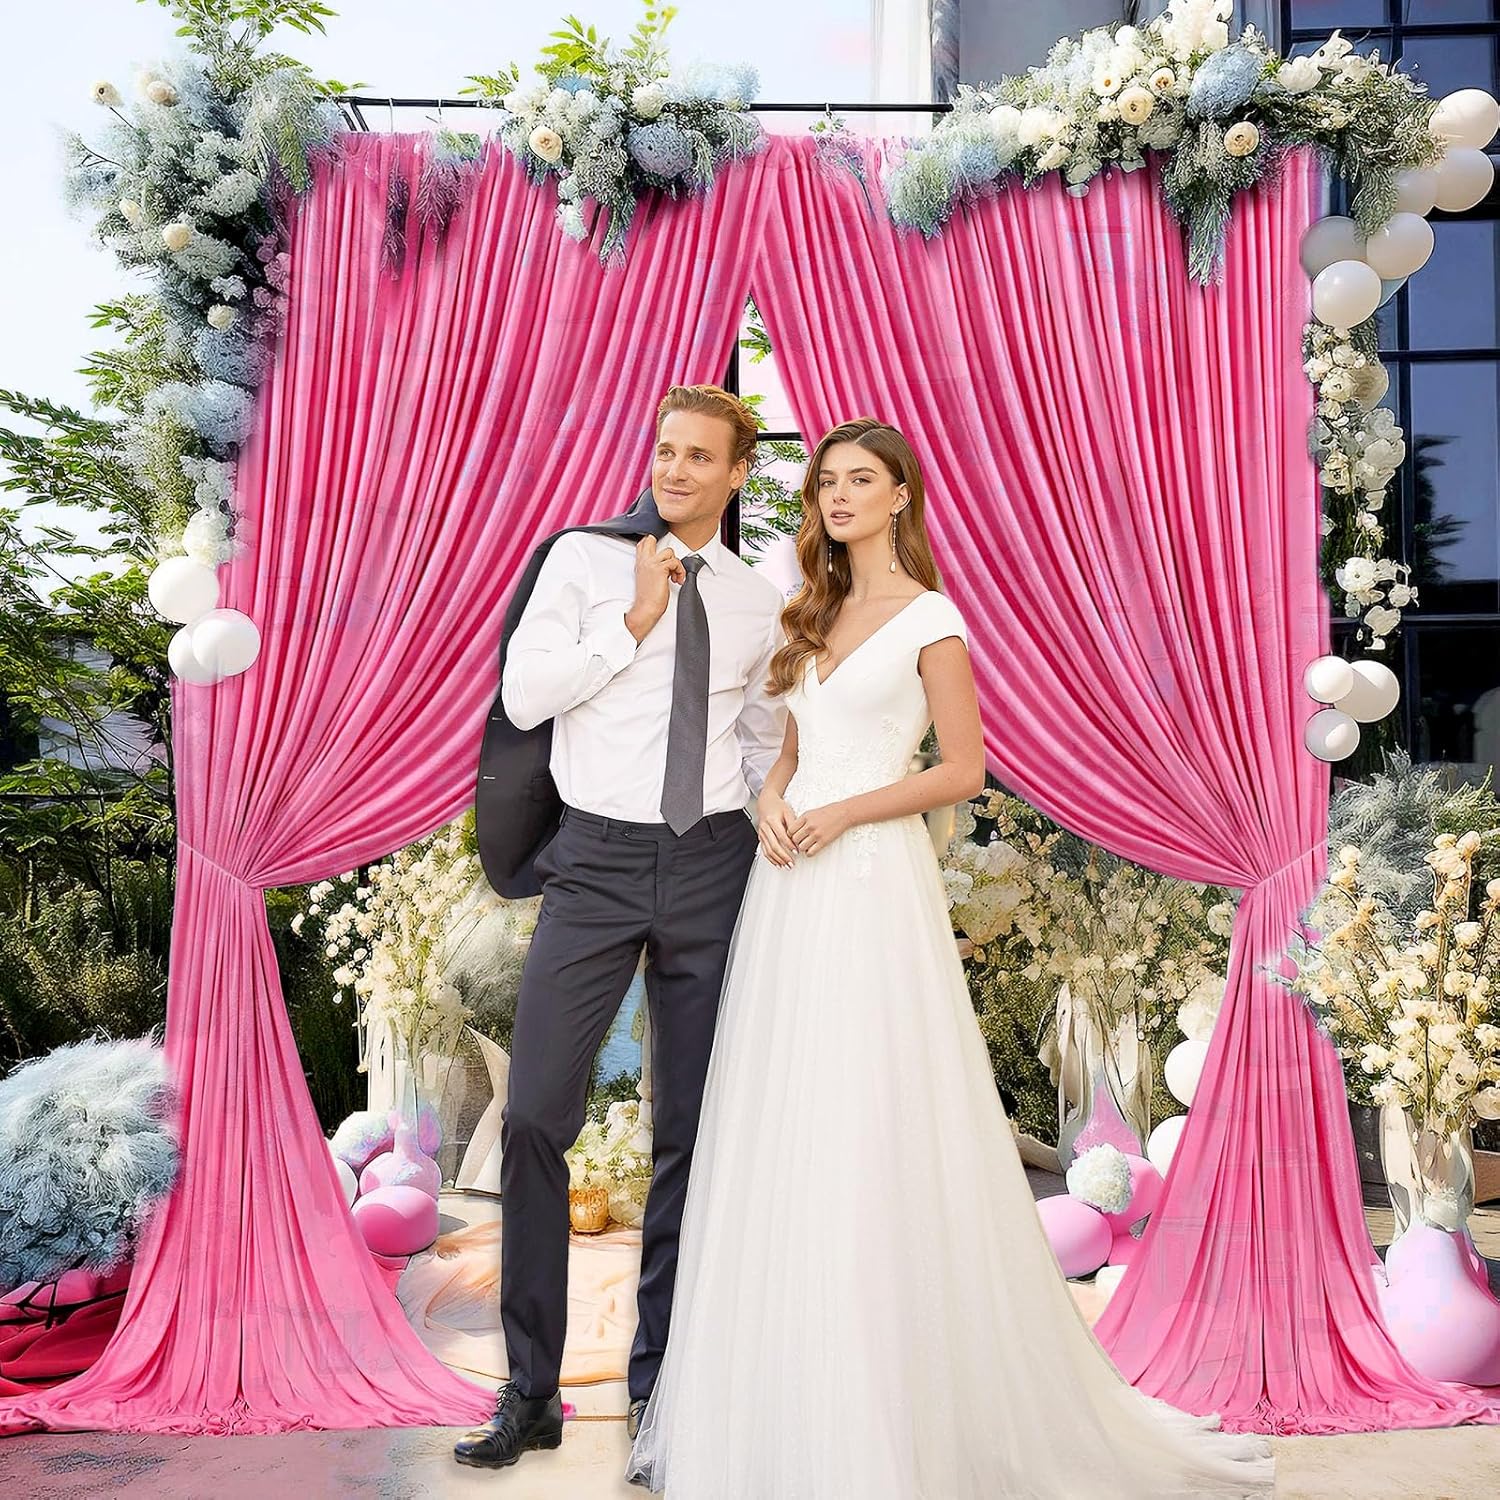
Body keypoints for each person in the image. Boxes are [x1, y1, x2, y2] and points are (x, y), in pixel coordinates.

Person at [625, 418, 1277, 1498]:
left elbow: (962, 769)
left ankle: (889, 1410)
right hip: (789, 888)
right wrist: (775, 799)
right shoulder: (810, 609)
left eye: (860, 480)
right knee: (789, 1115)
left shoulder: (932, 617)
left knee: (873, 1114)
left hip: (871, 884)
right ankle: (787, 1402)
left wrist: (842, 813)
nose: (837, 497)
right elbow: (786, 750)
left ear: (900, 497)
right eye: (826, 482)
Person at [454, 385, 787, 1471]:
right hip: (594, 862)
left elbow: (756, 733)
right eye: (665, 451)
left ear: (737, 473)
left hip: (713, 863)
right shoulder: (585, 562)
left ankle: (660, 1393)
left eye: (700, 457)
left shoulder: (755, 598)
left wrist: (778, 817)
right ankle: (530, 1391)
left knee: (691, 1130)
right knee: (535, 1117)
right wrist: (633, 622)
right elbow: (524, 694)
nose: (676, 471)